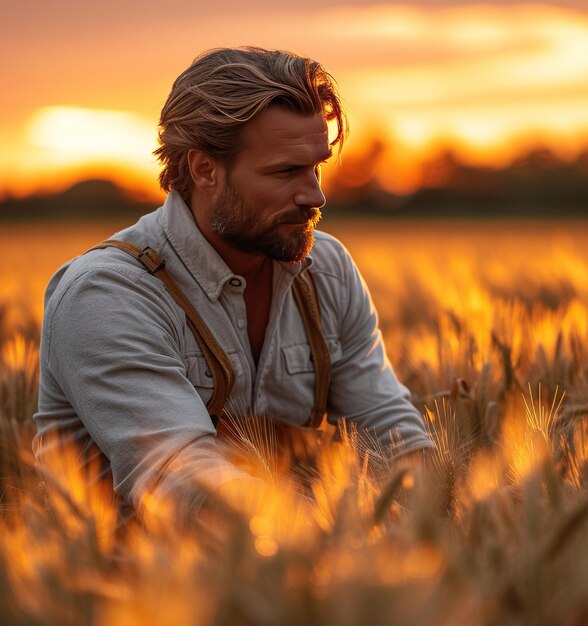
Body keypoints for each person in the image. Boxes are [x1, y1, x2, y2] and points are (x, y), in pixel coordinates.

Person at [34, 47, 433, 518]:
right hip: (132, 585)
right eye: (285, 171)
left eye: (317, 167)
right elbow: (186, 478)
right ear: (204, 169)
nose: (315, 195)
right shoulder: (107, 294)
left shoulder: (326, 270)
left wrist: (435, 513)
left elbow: (388, 429)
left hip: (296, 578)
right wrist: (335, 533)